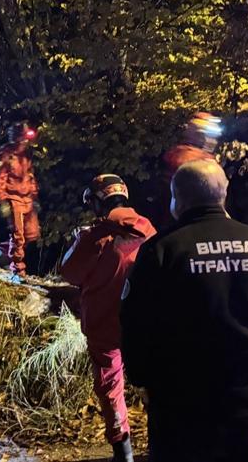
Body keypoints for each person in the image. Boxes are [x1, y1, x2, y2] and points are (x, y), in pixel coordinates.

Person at [121, 159, 248, 462]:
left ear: (176, 199)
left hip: (183, 410)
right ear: (224, 193)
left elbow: (136, 326)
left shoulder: (161, 251)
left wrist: (144, 380)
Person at [60, 174, 156, 462]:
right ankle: (161, 444)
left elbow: (70, 272)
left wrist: (80, 240)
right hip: (145, 322)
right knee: (156, 382)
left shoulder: (94, 235)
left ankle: (122, 450)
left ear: (98, 201)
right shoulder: (150, 229)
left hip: (104, 323)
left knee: (110, 386)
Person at [0, 121, 41, 279]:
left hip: (27, 199)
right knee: (18, 236)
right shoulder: (6, 155)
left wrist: (34, 196)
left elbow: (30, 176)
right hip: (13, 199)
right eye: (23, 138)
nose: (25, 141)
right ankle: (18, 271)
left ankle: (1, 250)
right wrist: (2, 201)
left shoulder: (26, 155)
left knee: (32, 234)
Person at [157, 112, 223, 227]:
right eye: (209, 135)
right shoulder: (187, 158)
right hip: (190, 221)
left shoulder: (200, 157)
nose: (212, 141)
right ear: (198, 135)